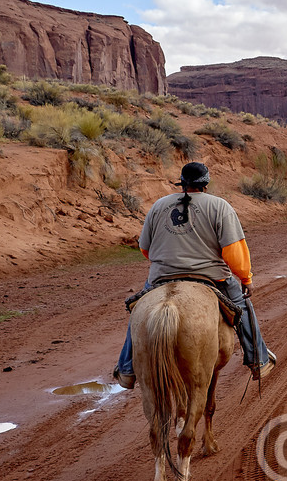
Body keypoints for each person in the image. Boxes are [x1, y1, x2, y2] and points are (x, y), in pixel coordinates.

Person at [113, 162, 275, 390]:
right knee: (243, 305)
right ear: (205, 184)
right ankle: (258, 360)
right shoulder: (220, 206)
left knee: (138, 311)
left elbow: (145, 249)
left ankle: (127, 369)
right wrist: (246, 279)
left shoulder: (159, 205)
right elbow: (233, 251)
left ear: (182, 183)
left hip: (162, 275)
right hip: (212, 276)